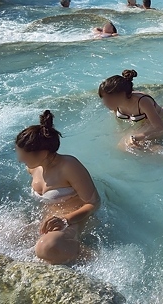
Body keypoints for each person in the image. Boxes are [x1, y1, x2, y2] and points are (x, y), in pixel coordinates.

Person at [16, 110, 100, 265]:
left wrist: (65, 220)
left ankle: (89, 255)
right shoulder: (33, 167)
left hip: (73, 222)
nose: (20, 159)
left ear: (42, 154)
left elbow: (94, 203)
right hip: (47, 222)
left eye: (23, 155)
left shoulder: (69, 166)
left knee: (45, 248)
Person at [98, 70, 163, 178]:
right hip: (147, 125)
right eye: (103, 99)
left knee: (134, 144)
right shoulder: (115, 105)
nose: (105, 103)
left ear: (121, 95)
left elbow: (159, 127)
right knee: (123, 146)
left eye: (108, 99)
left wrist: (138, 136)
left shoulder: (142, 101)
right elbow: (120, 122)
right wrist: (121, 133)